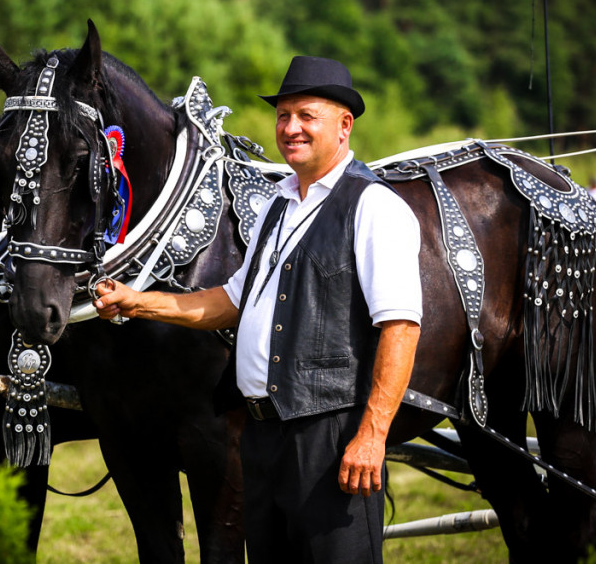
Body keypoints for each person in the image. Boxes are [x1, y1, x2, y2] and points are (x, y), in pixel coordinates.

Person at [93, 56, 422, 563]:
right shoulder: (275, 204)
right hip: (261, 436)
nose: (291, 128)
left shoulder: (375, 206)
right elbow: (229, 301)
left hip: (330, 437)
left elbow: (400, 326)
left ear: (344, 125)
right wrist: (139, 303)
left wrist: (372, 435)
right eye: (283, 115)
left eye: (307, 116)